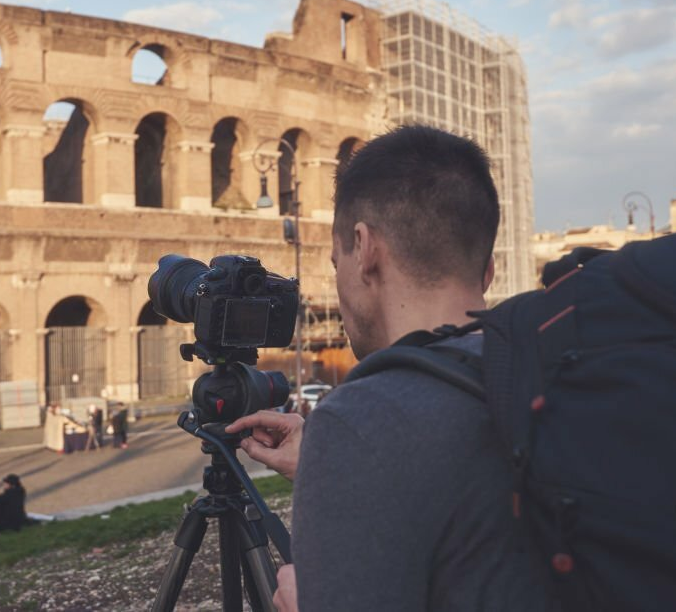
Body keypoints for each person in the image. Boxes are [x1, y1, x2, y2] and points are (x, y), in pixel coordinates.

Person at [226, 126, 553, 611]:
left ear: (364, 249)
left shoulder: (362, 418)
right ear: (487, 272)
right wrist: (333, 461)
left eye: (337, 261)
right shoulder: (545, 367)